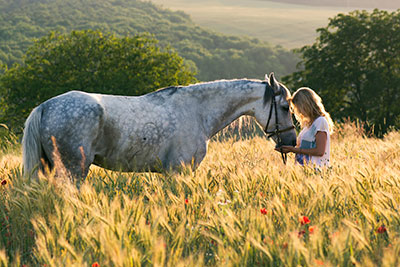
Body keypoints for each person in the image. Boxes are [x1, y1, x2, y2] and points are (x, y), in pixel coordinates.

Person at [275, 87, 334, 167]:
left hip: (316, 170)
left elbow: (320, 151)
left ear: (306, 105)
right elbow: (304, 147)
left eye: (298, 108)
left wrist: (293, 150)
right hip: (303, 170)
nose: (299, 112)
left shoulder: (320, 122)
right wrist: (287, 148)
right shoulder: (308, 125)